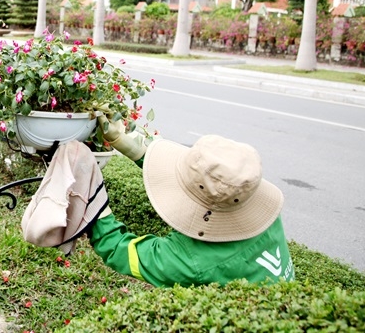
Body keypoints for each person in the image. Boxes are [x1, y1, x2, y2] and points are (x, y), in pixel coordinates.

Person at [88, 116, 295, 287]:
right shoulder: (257, 208)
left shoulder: (191, 260)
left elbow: (119, 250)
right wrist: (135, 148)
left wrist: (93, 197)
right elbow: (207, 179)